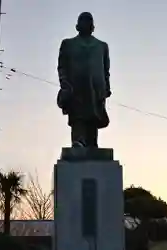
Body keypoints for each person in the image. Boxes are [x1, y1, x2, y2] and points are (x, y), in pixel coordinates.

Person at [57, 12, 111, 148]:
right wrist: (64, 83)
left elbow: (106, 70)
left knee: (93, 117)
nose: (86, 24)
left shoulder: (102, 46)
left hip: (96, 87)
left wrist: (106, 88)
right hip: (76, 86)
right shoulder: (68, 44)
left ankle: (92, 145)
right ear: (77, 26)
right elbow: (62, 66)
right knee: (78, 117)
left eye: (89, 21)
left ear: (93, 26)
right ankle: (78, 141)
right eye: (83, 21)